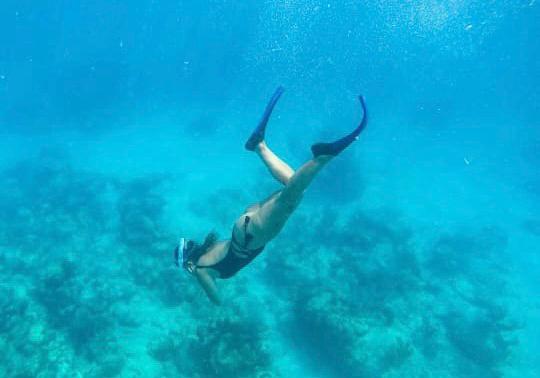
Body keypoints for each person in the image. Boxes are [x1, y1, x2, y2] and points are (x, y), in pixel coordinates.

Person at [174, 86, 368, 305]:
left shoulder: (200, 270)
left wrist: (198, 278)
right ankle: (260, 146)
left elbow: (217, 300)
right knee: (293, 187)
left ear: (188, 264)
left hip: (252, 236)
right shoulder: (206, 251)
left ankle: (323, 157)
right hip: (246, 224)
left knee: (293, 194)